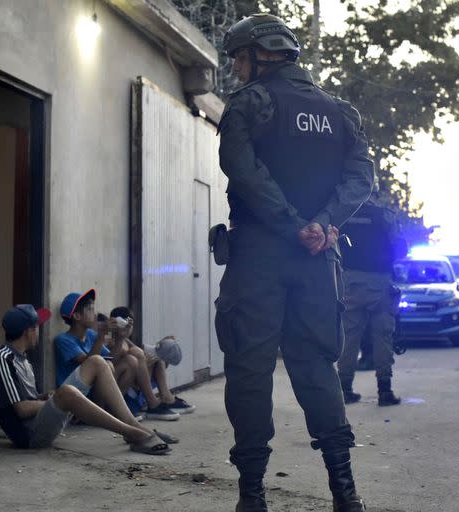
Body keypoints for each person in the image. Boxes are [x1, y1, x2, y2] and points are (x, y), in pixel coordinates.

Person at [217, 13, 373, 512]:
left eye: (240, 58)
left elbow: (243, 171)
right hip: (316, 262)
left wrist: (292, 224)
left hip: (260, 258)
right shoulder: (339, 112)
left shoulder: (249, 105)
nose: (237, 70)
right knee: (317, 368)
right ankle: (345, 496)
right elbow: (361, 178)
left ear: (261, 53)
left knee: (249, 370)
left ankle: (252, 498)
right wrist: (325, 224)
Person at [0, 304, 173, 455]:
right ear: (28, 332)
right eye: (37, 327)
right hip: (29, 435)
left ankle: (135, 426)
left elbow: (32, 399)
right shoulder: (3, 358)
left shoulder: (23, 358)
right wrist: (57, 399)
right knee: (65, 393)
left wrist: (46, 396)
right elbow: (22, 410)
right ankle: (132, 434)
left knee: (97, 362)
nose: (39, 332)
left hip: (42, 420)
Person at [53, 290, 179, 421]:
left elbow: (112, 359)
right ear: (77, 316)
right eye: (90, 310)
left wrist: (121, 337)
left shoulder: (90, 335)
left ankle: (112, 411)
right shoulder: (63, 340)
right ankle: (100, 414)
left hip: (98, 393)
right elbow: (91, 364)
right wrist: (102, 335)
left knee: (130, 361)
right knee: (109, 363)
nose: (94, 314)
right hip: (81, 397)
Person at [337, 192, 406, 407]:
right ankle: (384, 391)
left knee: (348, 337)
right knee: (383, 337)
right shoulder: (382, 214)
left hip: (350, 282)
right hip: (380, 281)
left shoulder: (344, 211)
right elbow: (399, 246)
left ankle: (344, 389)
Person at [109, 306, 195, 414]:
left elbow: (146, 351)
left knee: (156, 357)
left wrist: (161, 346)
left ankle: (167, 398)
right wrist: (143, 364)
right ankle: (153, 403)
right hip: (126, 391)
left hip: (135, 388)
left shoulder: (126, 341)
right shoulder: (113, 343)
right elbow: (112, 367)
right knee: (137, 354)